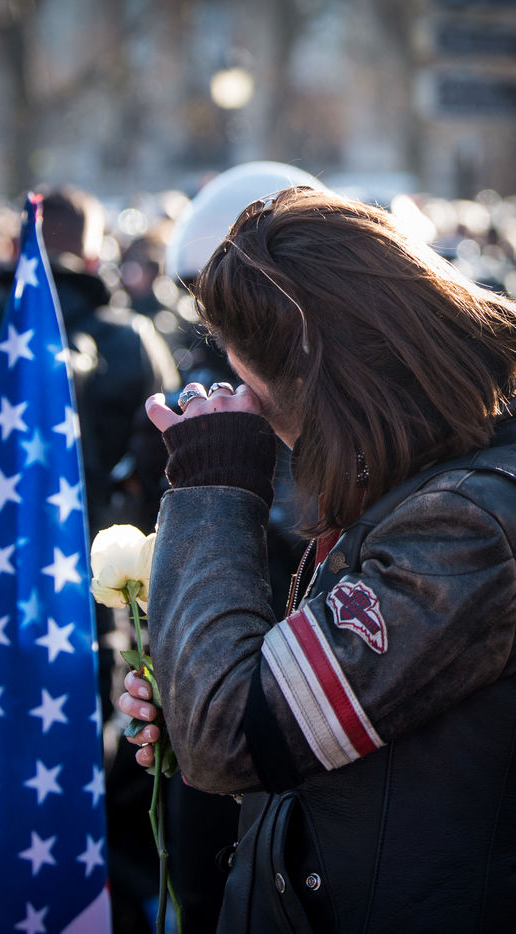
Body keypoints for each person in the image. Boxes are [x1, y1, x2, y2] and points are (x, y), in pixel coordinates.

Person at [119, 185, 516, 932]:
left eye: (251, 382)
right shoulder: (422, 486)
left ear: (312, 372)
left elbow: (229, 737)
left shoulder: (466, 526)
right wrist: (193, 677)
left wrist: (214, 485)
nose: (251, 405)